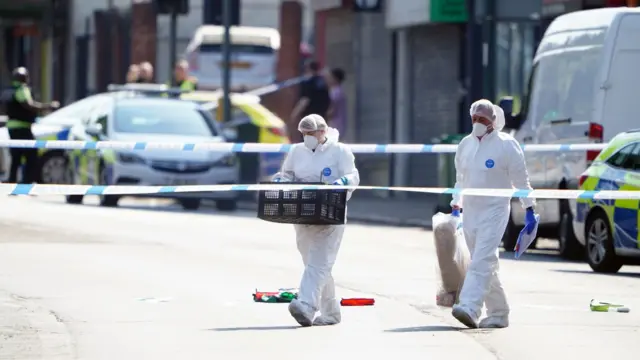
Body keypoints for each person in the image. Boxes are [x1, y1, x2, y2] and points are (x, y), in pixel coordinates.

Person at [450, 99, 538, 329]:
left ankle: (470, 307)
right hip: (470, 211)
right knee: (486, 261)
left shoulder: (507, 145)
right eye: (475, 118)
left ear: (493, 121)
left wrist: (529, 209)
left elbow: (521, 180)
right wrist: (455, 204)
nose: (478, 123)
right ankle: (499, 312)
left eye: (483, 119)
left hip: (495, 210)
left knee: (481, 259)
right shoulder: (465, 145)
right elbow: (460, 179)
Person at [272, 114, 359, 327]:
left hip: (331, 214)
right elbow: (288, 174)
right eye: (304, 134)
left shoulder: (340, 151)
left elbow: (353, 176)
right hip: (303, 214)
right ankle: (331, 313)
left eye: (311, 133)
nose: (307, 137)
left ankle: (306, 305)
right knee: (314, 263)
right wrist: (282, 180)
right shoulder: (296, 151)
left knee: (319, 262)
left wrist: (342, 182)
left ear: (323, 132)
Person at [1, 67, 59, 184]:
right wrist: (48, 106)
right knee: (32, 155)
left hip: (12, 127)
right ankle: (27, 182)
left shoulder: (9, 90)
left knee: (16, 156)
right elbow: (29, 105)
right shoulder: (22, 89)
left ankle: (12, 181)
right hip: (22, 127)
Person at [290, 60, 331, 142]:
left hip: (309, 118)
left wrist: (294, 114)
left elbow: (304, 100)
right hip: (321, 117)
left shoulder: (308, 83)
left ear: (308, 69)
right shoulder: (324, 83)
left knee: (308, 141)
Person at [325, 68, 347, 137]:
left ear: (335, 79)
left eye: (330, 77)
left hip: (334, 123)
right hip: (340, 123)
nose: (328, 80)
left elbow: (332, 109)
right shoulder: (339, 90)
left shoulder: (335, 92)